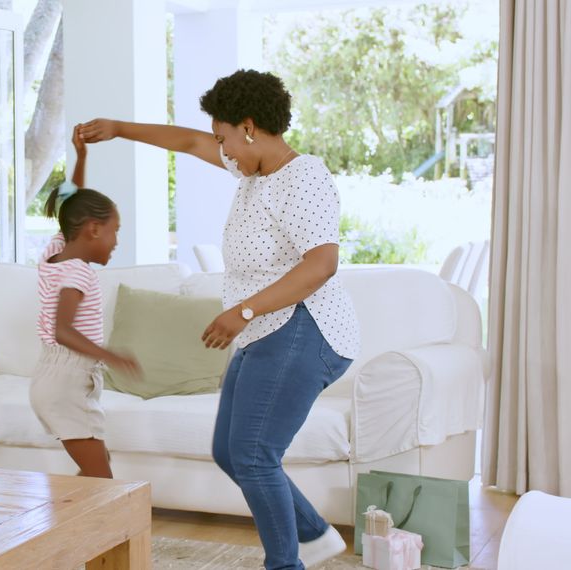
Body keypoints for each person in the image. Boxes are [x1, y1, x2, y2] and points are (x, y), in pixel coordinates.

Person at [80, 69, 360, 569]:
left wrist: (242, 311)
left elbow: (321, 264)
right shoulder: (250, 171)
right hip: (266, 330)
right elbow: (188, 141)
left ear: (249, 126)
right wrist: (119, 128)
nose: (222, 150)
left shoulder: (304, 177)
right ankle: (314, 535)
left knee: (253, 453)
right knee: (231, 452)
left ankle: (286, 563)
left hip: (305, 326)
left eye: (225, 138)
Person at [29, 125, 142, 479]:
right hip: (66, 378)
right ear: (93, 229)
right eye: (115, 230)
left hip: (55, 378)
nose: (116, 241)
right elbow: (63, 330)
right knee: (101, 479)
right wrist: (112, 357)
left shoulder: (55, 252)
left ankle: (62, 525)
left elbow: (70, 205)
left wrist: (82, 156)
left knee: (96, 471)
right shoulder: (78, 272)